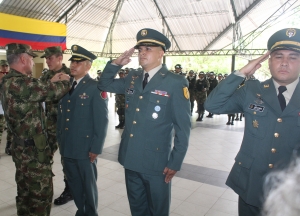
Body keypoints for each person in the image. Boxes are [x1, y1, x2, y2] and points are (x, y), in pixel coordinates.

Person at [205, 28, 300, 216]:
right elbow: (213, 105)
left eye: (293, 57)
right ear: (269, 62)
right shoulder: (252, 90)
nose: (284, 63)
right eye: (278, 56)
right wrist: (242, 73)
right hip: (252, 184)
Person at [98, 28, 191, 216]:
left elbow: (183, 128)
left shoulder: (175, 82)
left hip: (156, 163)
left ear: (161, 53)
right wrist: (116, 63)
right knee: (137, 208)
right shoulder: (132, 78)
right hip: (130, 157)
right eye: (140, 49)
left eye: (148, 48)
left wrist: (175, 162)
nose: (142, 52)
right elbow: (104, 84)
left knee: (158, 210)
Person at [1, 43, 70, 216]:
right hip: (32, 151)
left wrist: (51, 80)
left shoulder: (8, 80)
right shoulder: (19, 83)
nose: (34, 62)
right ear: (24, 59)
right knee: (41, 196)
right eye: (32, 59)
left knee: (24, 193)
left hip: (21, 148)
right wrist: (66, 81)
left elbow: (35, 86)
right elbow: (49, 92)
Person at [57, 45, 108, 216]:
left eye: (78, 62)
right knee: (74, 184)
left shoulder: (95, 87)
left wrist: (96, 148)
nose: (73, 65)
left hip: (85, 148)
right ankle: (82, 211)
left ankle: (91, 213)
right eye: (72, 62)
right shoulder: (66, 85)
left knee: (88, 185)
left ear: (88, 66)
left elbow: (102, 120)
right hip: (67, 146)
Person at [39, 46, 74, 206]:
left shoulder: (71, 74)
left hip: (66, 124)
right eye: (46, 58)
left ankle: (70, 190)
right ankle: (44, 187)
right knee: (45, 156)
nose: (47, 61)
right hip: (49, 124)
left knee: (66, 159)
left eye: (50, 58)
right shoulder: (45, 75)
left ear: (59, 57)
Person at [0, 59, 13, 155]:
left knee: (10, 128)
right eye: (3, 66)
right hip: (0, 107)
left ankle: (9, 146)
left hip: (9, 107)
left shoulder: (11, 77)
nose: (5, 68)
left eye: (6, 66)